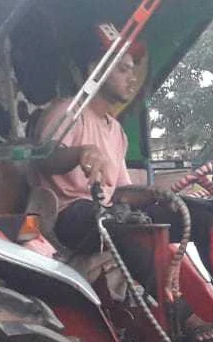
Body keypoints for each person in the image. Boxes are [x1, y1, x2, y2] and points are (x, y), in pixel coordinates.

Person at [29, 22, 144, 251]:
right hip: (65, 216)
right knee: (117, 225)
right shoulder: (68, 112)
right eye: (123, 70)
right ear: (95, 70)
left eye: (132, 70)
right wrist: (80, 153)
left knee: (190, 215)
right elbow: (45, 158)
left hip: (104, 212)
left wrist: (161, 195)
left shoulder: (116, 131)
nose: (132, 78)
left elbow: (120, 191)